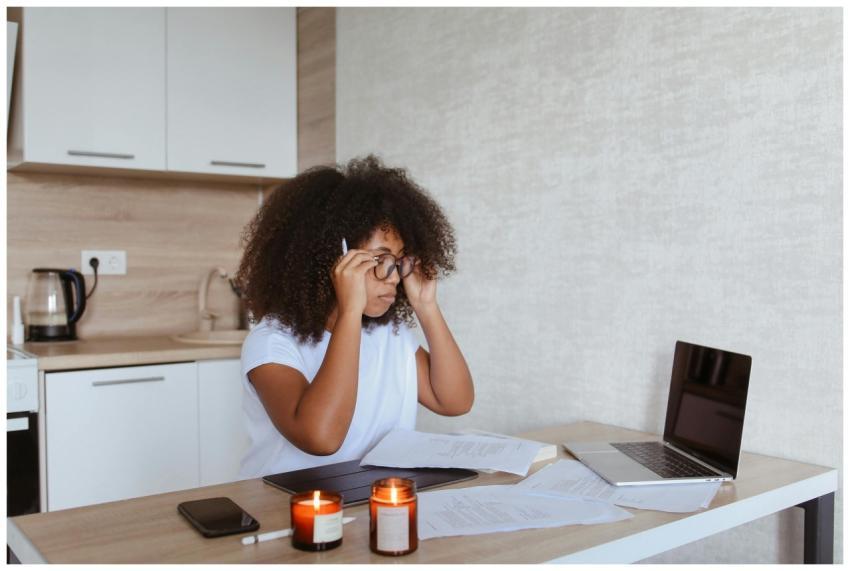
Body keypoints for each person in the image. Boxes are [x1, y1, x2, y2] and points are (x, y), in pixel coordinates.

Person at [236, 155, 474, 478]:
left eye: (399, 262)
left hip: (367, 505)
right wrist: (349, 309)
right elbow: (321, 437)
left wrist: (426, 306)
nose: (393, 277)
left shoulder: (388, 334)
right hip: (284, 513)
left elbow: (455, 401)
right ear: (334, 259)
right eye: (380, 259)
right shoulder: (270, 343)